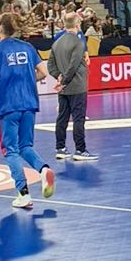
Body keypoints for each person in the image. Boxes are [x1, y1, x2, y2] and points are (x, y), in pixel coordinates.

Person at [0, 10, 56, 211]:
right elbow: (43, 73)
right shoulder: (28, 47)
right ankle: (43, 169)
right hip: (29, 103)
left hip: (9, 106)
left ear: (0, 28)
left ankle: (23, 194)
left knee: (10, 150)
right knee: (25, 146)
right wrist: (28, 79)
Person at [49, 12, 91, 162]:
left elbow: (50, 66)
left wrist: (59, 78)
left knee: (62, 118)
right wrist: (64, 80)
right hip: (77, 86)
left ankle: (60, 148)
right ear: (78, 24)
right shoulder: (78, 42)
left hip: (64, 88)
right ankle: (80, 149)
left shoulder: (56, 43)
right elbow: (74, 65)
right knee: (78, 118)